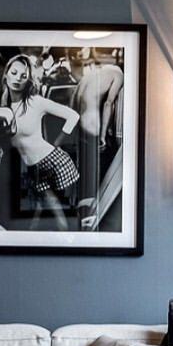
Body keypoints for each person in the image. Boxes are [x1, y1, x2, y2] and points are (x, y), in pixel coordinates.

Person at [0, 53, 80, 230]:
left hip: (52, 162)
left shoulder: (36, 102)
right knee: (41, 208)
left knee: (55, 208)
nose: (17, 78)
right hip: (31, 168)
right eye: (14, 73)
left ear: (28, 81)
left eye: (23, 76)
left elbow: (73, 116)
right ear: (6, 75)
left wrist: (57, 143)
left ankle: (68, 237)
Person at [74, 47, 124, 229]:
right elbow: (109, 103)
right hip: (92, 120)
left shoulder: (94, 74)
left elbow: (76, 97)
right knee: (99, 167)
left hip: (81, 120)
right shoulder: (119, 75)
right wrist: (103, 135)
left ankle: (83, 211)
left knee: (85, 169)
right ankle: (95, 212)